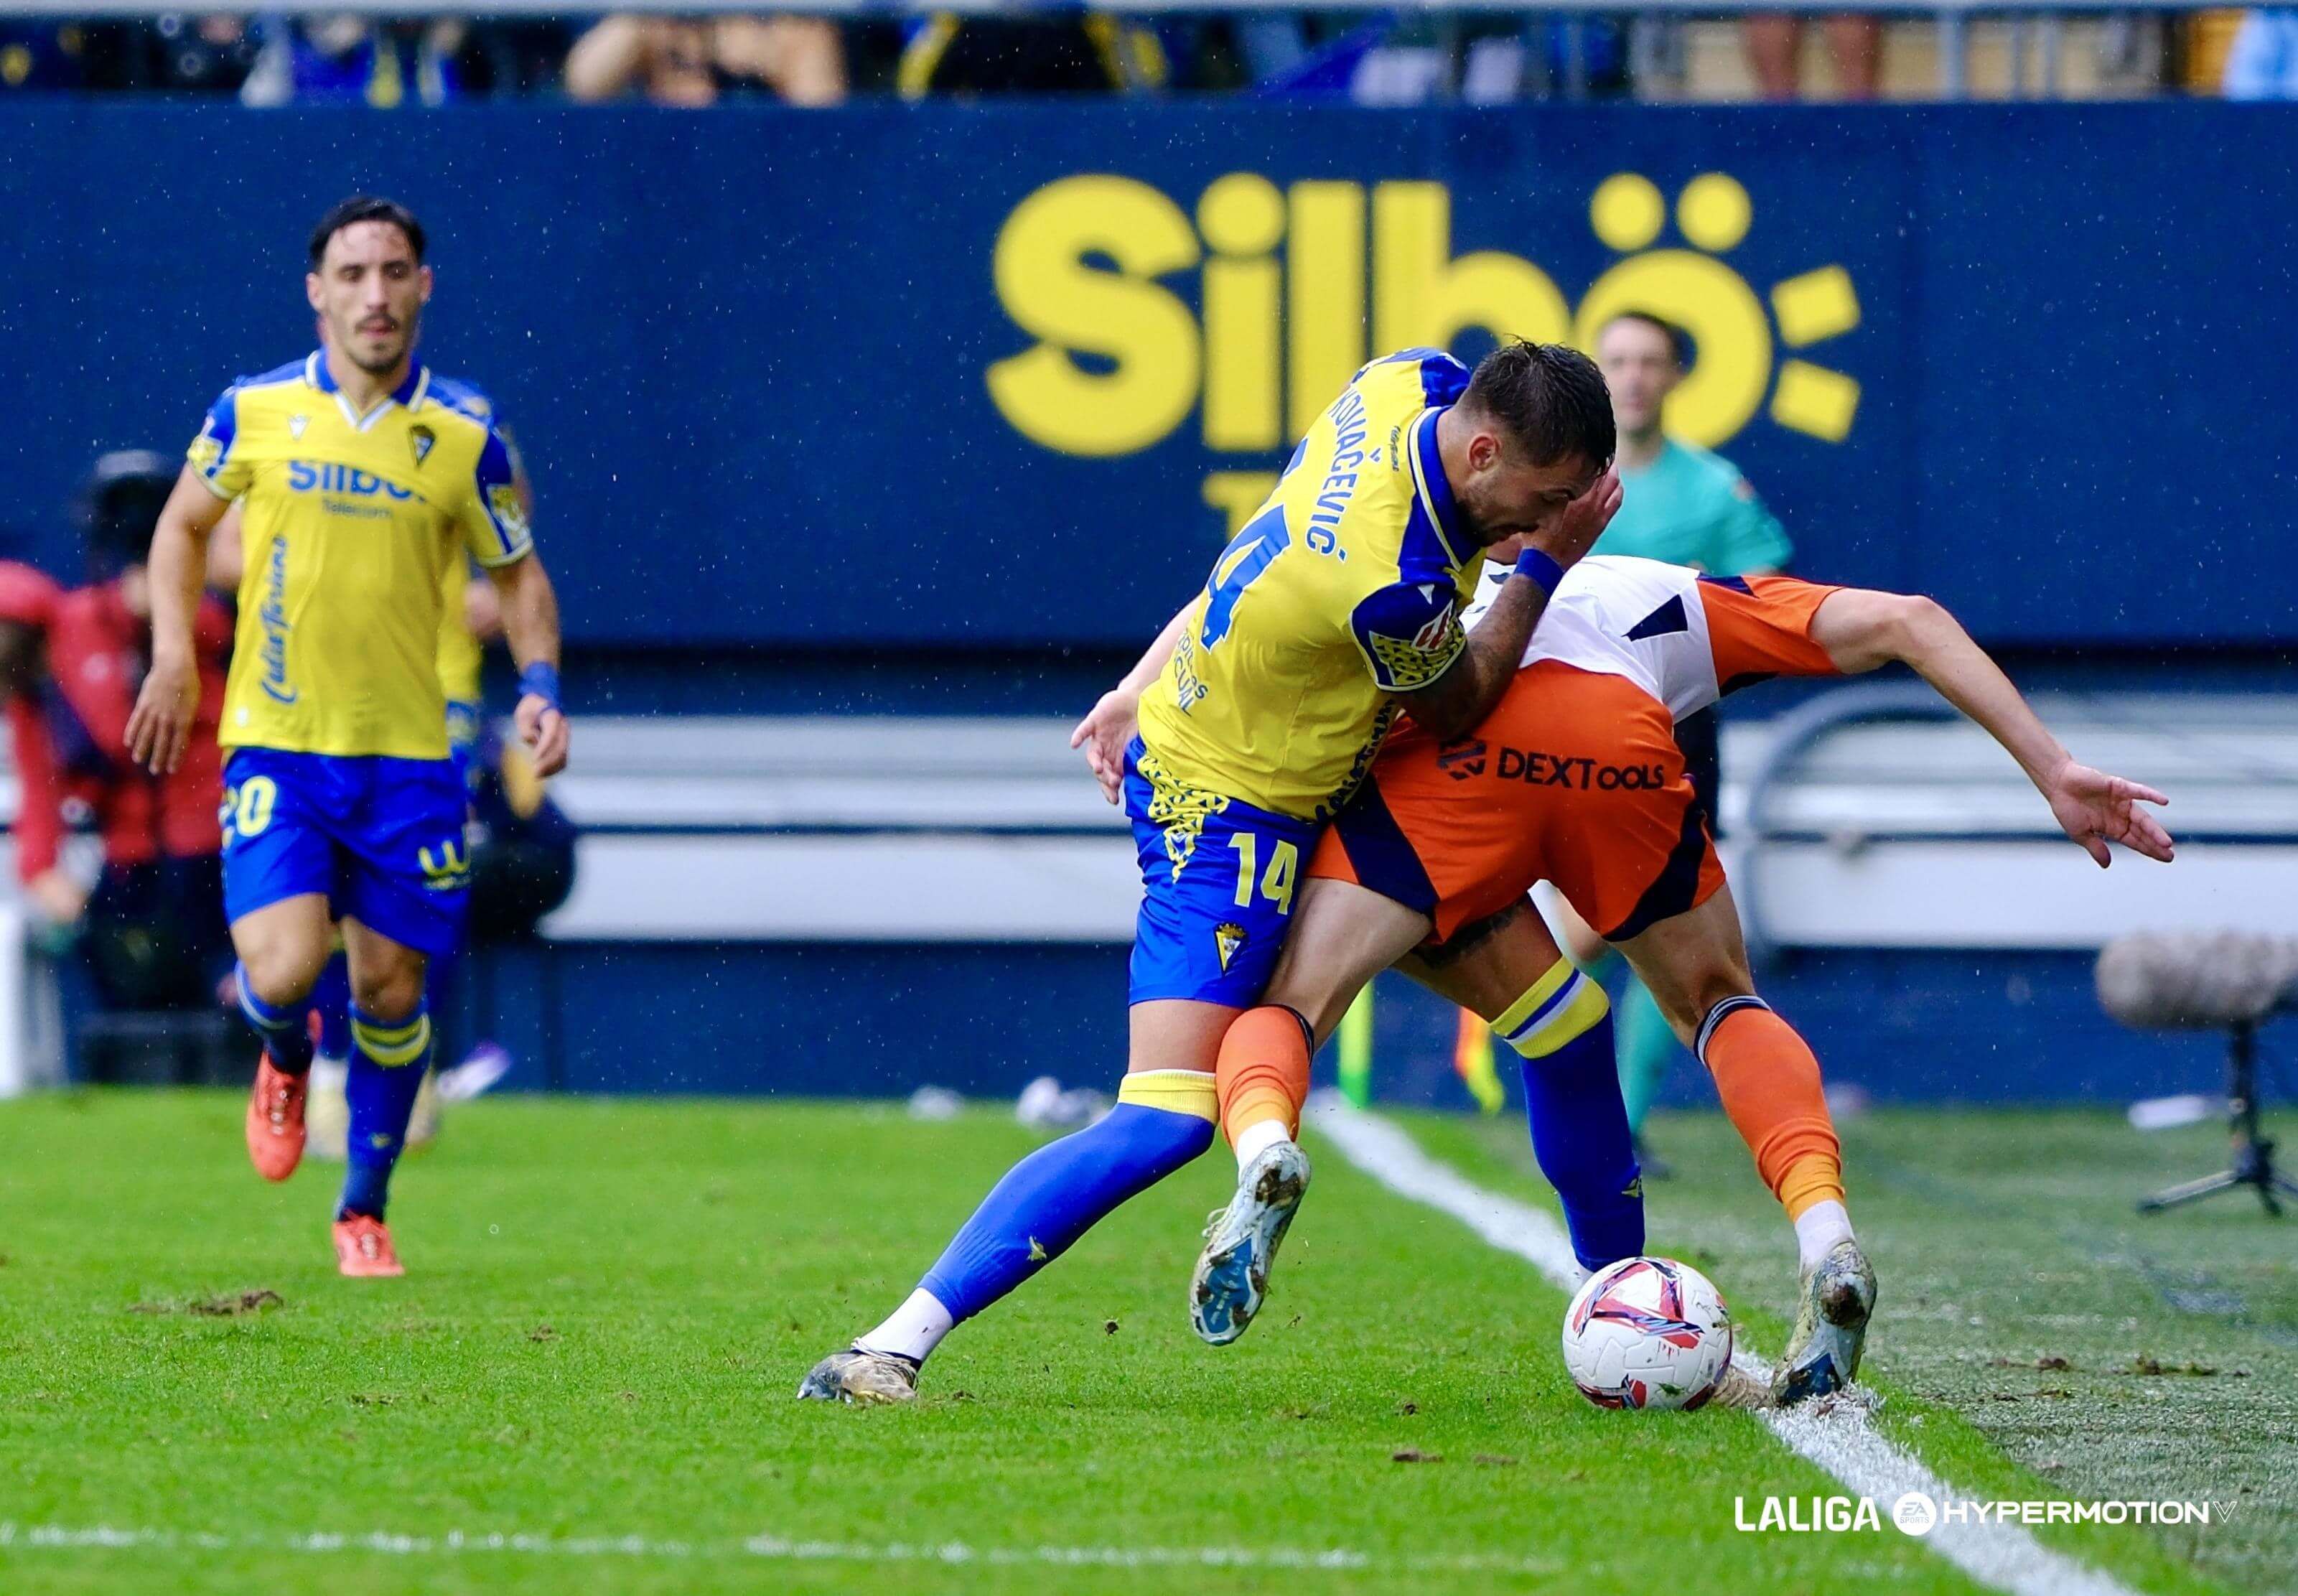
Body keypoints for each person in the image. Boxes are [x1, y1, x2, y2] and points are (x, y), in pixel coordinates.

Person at [798, 342, 1622, 1404]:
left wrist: (1142, 673)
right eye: (1542, 500)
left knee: (1565, 1019)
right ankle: (886, 1345)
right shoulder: (1388, 584)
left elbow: (1262, 539)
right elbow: (1460, 699)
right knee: (1167, 1111)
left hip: (1333, 769)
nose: (1545, 519)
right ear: (1479, 451)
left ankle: (1625, 1306)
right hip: (1226, 808)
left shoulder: (1403, 379)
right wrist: (1549, 565)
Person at [1202, 554, 2173, 1402]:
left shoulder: (1413, 573)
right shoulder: (1668, 589)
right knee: (1717, 1001)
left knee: (1289, 1000)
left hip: (1452, 779)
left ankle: (1264, 1156)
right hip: (1615, 753)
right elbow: (1907, 619)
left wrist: (1136, 697)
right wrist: (2051, 767)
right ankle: (1823, 1233)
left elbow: (1242, 608)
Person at [126, 195, 570, 1278]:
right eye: (354, 273)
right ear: (317, 291)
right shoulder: (254, 410)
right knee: (279, 967)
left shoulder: (466, 437)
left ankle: (362, 1210)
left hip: (410, 759)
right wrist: (176, 656)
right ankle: (282, 1052)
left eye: (395, 272)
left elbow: (519, 575)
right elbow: (180, 528)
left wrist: (543, 683)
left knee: (392, 991)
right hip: (277, 741)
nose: (375, 293)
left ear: (424, 287)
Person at [1574, 309, 1795, 1167]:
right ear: (1594, 374)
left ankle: (1619, 1123)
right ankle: (1578, 1102)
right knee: (1581, 931)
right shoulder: (1559, 477)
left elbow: (1767, 593)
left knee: (1667, 930)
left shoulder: (1711, 488)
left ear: (1672, 376)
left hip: (1674, 734)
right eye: (1617, 361)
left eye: (1649, 361)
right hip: (1560, 733)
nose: (1632, 377)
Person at [564, 14, 845, 105]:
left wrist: (765, 62)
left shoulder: (793, 25)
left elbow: (827, 129)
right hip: (668, 174)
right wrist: (638, 20)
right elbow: (584, 84)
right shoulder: (648, 22)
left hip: (764, 178)